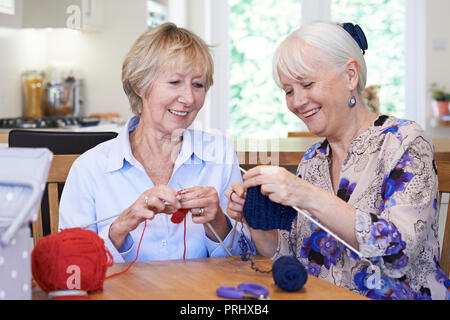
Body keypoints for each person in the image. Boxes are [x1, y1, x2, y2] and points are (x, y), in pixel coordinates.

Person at [226, 21, 449, 300]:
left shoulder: (405, 142)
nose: (296, 101)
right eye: (288, 91)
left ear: (350, 75)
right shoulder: (313, 160)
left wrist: (303, 193)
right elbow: (290, 260)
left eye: (307, 84)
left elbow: (398, 253)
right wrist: (255, 218)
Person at [59, 22, 252, 263]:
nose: (189, 98)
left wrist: (218, 222)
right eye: (175, 82)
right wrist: (120, 228)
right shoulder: (90, 167)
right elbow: (69, 265)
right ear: (140, 84)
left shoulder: (220, 154)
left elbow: (247, 259)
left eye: (198, 85)